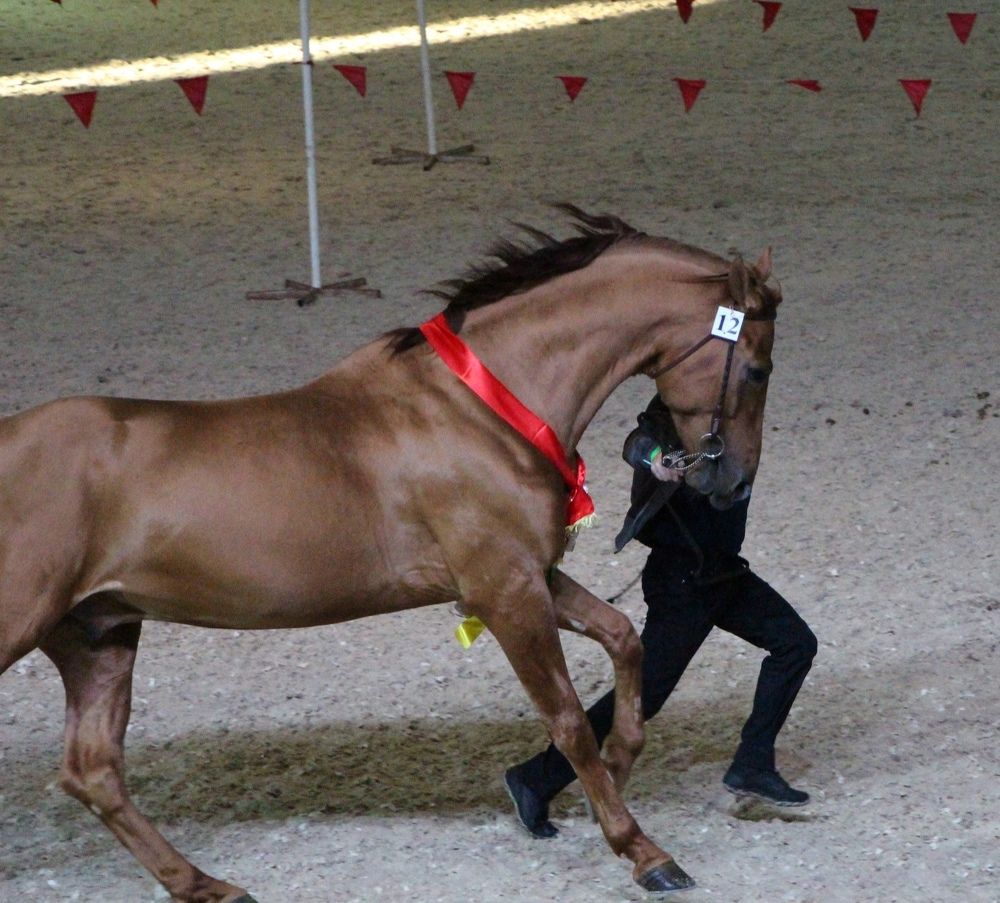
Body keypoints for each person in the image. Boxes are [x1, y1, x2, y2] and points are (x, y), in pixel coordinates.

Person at [504, 396, 817, 838]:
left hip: (723, 574)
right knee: (643, 695)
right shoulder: (682, 398)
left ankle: (753, 764)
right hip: (683, 581)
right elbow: (638, 440)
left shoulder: (733, 409)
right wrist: (658, 459)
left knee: (795, 644)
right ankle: (536, 778)